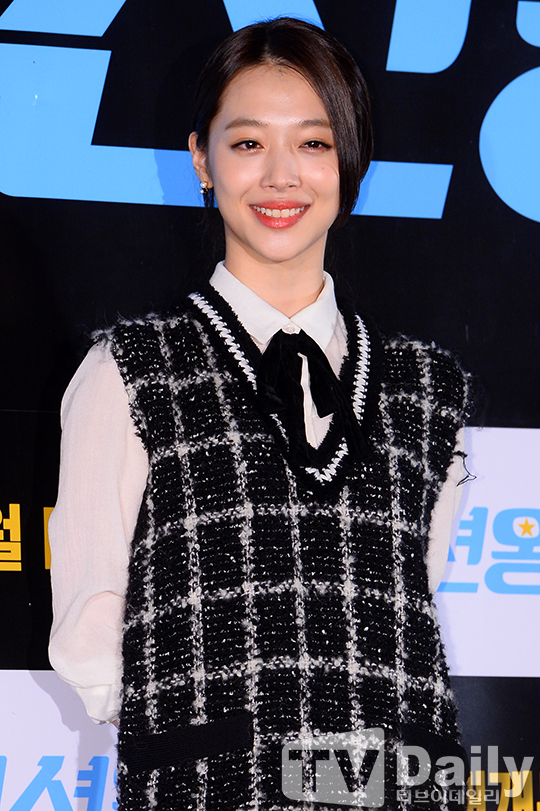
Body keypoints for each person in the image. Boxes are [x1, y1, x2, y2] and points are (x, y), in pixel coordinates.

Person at [49, 17, 472, 811]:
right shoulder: (129, 371)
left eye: (313, 143)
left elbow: (410, 608)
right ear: (201, 159)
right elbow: (91, 629)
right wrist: (195, 751)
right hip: (213, 785)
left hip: (400, 788)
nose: (281, 175)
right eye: (248, 143)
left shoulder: (427, 388)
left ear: (349, 161)